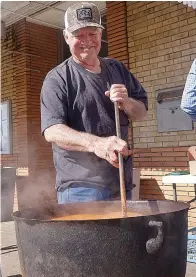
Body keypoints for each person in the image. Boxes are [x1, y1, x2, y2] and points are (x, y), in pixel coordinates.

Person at [40, 2, 148, 204]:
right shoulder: (58, 79)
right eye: (79, 35)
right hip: (81, 189)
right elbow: (52, 130)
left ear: (100, 35)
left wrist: (126, 102)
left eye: (92, 33)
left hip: (121, 182)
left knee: (125, 237)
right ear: (66, 37)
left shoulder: (117, 69)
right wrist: (97, 143)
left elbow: (141, 113)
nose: (87, 41)